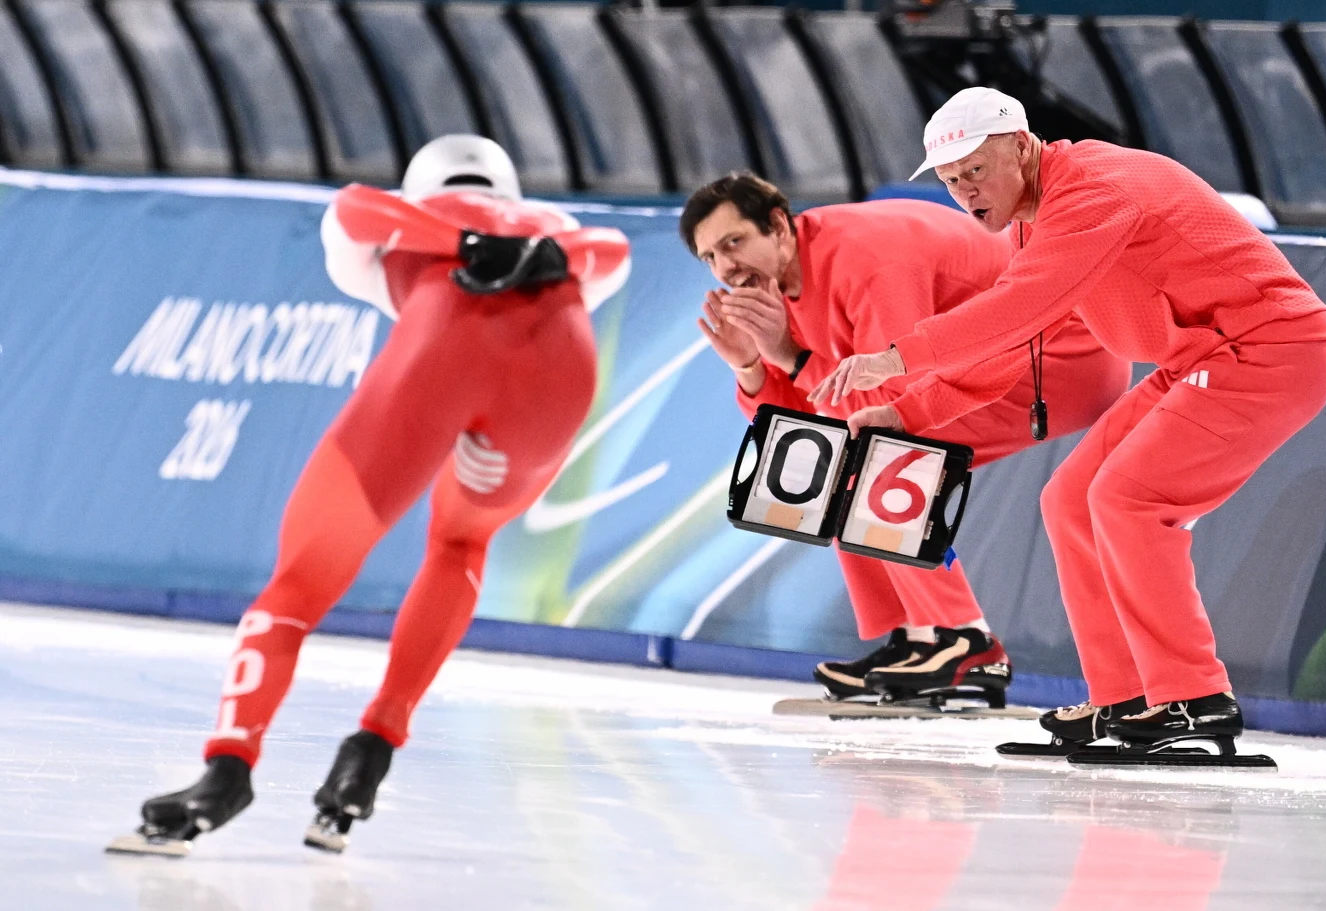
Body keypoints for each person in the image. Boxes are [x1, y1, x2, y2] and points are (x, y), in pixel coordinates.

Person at [111, 136, 631, 855]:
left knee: (295, 588)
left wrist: (458, 241)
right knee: (462, 542)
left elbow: (352, 211)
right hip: (558, 377)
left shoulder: (403, 214)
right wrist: (547, 255)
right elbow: (616, 249)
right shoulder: (556, 225)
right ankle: (376, 742)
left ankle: (226, 769)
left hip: (439, 349)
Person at [812, 87, 1326, 753]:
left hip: (1266, 350)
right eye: (951, 181)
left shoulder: (1093, 188)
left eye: (976, 170)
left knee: (1129, 500)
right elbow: (1015, 344)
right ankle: (1124, 697)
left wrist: (896, 358)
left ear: (1023, 145)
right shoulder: (1039, 218)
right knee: (1069, 500)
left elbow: (1015, 305)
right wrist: (907, 409)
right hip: (1201, 357)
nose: (966, 192)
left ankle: (1192, 697)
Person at [681, 173, 1130, 704]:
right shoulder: (782, 279)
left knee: (875, 457)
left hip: (1061, 358)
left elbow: (891, 404)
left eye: (733, 242)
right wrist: (753, 366)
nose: (726, 268)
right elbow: (807, 423)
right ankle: (921, 639)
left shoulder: (868, 262)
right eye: (710, 257)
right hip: (989, 363)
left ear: (778, 225)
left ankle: (963, 642)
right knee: (838, 465)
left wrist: (791, 357)